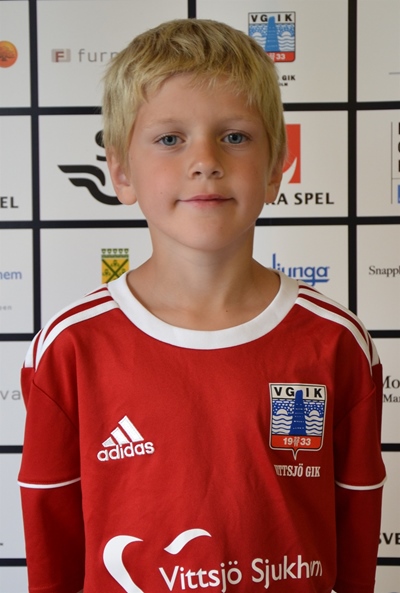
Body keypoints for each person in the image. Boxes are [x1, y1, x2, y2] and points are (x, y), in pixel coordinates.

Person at [18, 19, 385, 593]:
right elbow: (51, 545)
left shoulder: (335, 341)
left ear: (276, 169)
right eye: (170, 139)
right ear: (121, 172)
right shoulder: (70, 347)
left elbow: (356, 541)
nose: (205, 160)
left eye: (234, 136)